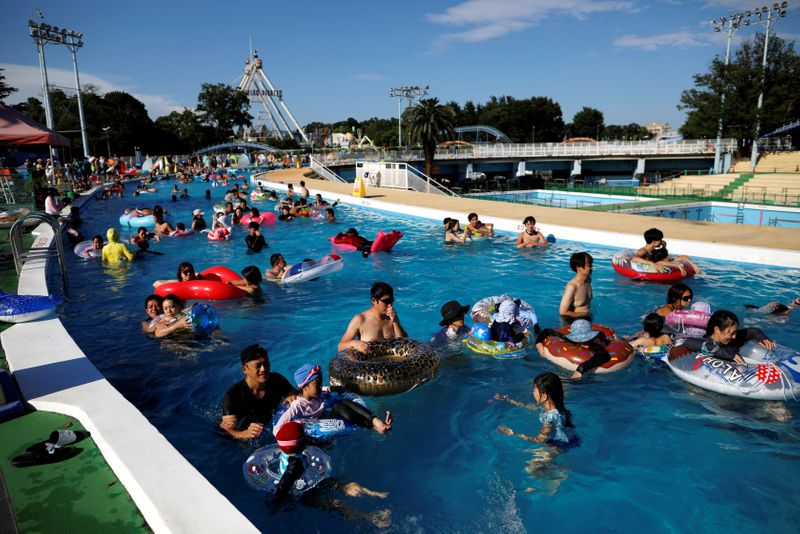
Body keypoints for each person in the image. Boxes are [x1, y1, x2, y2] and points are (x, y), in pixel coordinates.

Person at [273, 363, 392, 436]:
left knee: (344, 401)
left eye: (321, 383)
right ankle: (372, 426)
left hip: (327, 418)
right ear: (304, 387)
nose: (320, 387)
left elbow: (322, 389)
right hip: (318, 428)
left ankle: (375, 420)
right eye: (317, 384)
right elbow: (277, 430)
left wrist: (330, 388)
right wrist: (297, 427)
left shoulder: (317, 393)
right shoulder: (297, 407)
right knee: (339, 407)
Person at [220, 344, 297, 439]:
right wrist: (245, 434)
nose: (263, 369)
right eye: (258, 366)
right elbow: (226, 431)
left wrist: (293, 397)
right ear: (244, 369)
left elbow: (298, 396)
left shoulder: (277, 380)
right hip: (246, 432)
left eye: (266, 364)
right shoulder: (233, 396)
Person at [495, 372, 576, 448]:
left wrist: (513, 434)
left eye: (534, 389)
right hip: (571, 439)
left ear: (544, 396)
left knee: (534, 463)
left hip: (558, 445)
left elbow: (539, 439)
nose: (533, 392)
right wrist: (508, 399)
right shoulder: (558, 409)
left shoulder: (549, 418)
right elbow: (529, 406)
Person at [670, 310, 776, 365]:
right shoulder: (705, 342)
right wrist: (723, 352)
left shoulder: (734, 340)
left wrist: (763, 338)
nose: (734, 336)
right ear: (717, 330)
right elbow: (688, 342)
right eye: (731, 333)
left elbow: (753, 331)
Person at [338, 282, 407, 352]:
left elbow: (405, 343)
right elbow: (340, 346)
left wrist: (395, 322)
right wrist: (353, 343)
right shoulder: (360, 319)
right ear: (374, 300)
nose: (390, 305)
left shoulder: (392, 316)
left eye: (391, 301)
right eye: (386, 301)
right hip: (369, 361)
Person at [535, 319, 613, 379]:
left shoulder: (593, 343)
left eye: (587, 339)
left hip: (602, 338)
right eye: (582, 341)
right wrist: (538, 343)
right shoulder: (569, 339)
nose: (586, 343)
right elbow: (547, 331)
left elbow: (604, 355)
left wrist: (580, 369)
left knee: (605, 342)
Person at [632, 228, 702, 275]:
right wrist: (653, 264)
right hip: (651, 272)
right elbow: (634, 259)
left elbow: (683, 257)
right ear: (654, 241)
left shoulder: (653, 250)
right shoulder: (643, 251)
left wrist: (694, 266)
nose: (661, 241)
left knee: (683, 257)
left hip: (661, 262)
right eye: (660, 239)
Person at [559, 252, 593, 322]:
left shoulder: (588, 280)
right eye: (588, 265)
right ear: (578, 268)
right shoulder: (572, 287)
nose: (591, 267)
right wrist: (584, 314)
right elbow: (562, 312)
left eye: (591, 264)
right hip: (573, 322)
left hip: (586, 319)